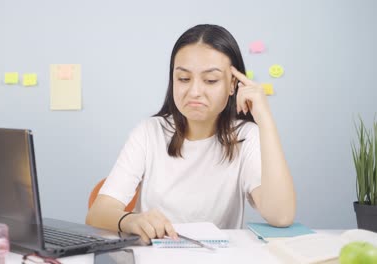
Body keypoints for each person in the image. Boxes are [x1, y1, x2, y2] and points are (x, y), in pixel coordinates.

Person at [86, 24, 296, 244]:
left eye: (210, 80)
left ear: (233, 84)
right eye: (184, 79)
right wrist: (131, 221)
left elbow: (280, 216)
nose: (194, 91)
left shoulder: (246, 136)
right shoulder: (149, 132)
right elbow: (98, 213)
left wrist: (265, 119)